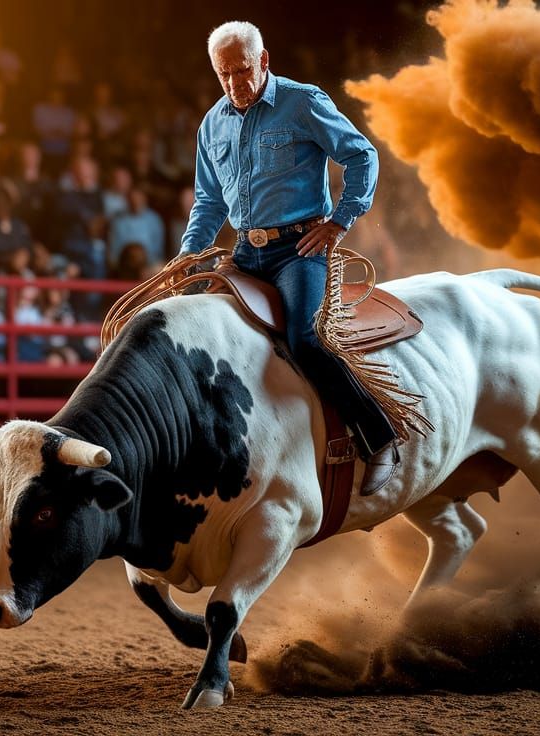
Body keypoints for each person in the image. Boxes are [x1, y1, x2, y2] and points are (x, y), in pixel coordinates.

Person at [178, 21, 399, 495]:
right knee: (197, 333)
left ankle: (379, 437)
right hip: (243, 255)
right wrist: (188, 256)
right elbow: (209, 203)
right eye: (224, 74)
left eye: (242, 70)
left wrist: (340, 220)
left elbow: (361, 156)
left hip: (300, 251)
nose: (235, 83)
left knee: (305, 338)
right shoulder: (211, 123)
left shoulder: (303, 102)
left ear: (264, 61)